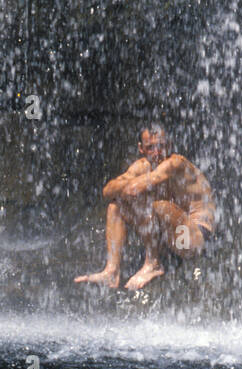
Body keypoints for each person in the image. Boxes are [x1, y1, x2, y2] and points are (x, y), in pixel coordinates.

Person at [74, 123, 215, 290]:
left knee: (158, 205)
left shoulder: (176, 163)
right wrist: (127, 184)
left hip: (191, 238)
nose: (157, 153)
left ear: (169, 145)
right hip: (169, 238)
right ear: (141, 148)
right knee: (115, 207)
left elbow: (136, 188)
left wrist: (128, 186)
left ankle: (153, 264)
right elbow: (107, 191)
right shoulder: (143, 165)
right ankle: (111, 271)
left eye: (161, 146)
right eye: (150, 148)